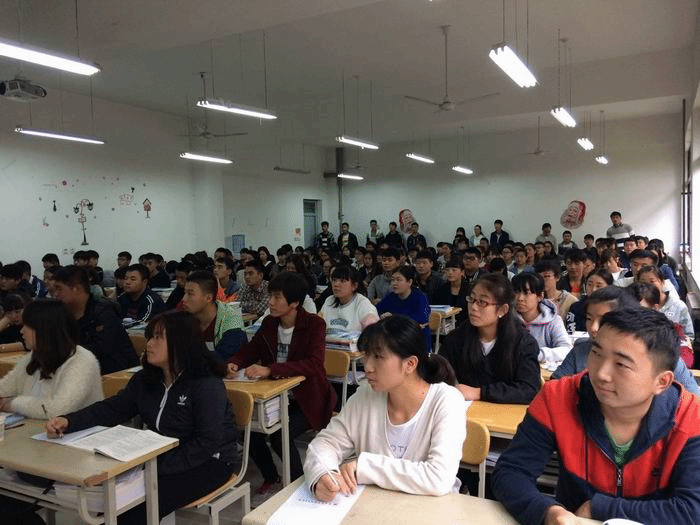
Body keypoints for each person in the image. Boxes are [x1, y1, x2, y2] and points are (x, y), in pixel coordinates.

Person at [494, 308, 700, 524]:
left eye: (621, 364)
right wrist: (549, 512)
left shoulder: (691, 417)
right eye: (596, 353)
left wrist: (599, 508)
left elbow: (693, 510)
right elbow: (511, 472)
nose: (601, 373)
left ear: (662, 382)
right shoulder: (557, 397)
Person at [46, 310, 241, 525]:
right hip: (160, 456)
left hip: (210, 462)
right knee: (112, 498)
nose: (149, 344)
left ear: (181, 342)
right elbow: (113, 408)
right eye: (150, 336)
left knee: (137, 507)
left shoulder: (205, 384)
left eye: (158, 337)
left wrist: (154, 467)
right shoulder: (146, 379)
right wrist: (69, 421)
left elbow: (207, 442)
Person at [304, 315, 465, 500]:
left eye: (378, 357)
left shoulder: (447, 401)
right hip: (375, 506)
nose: (367, 367)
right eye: (367, 355)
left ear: (410, 364)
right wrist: (324, 474)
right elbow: (325, 443)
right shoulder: (366, 395)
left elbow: (439, 478)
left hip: (432, 509)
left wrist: (365, 467)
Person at [226, 272, 336, 495]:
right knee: (247, 429)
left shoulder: (314, 324)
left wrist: (270, 370)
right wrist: (235, 362)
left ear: (294, 303)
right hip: (275, 396)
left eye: (277, 297)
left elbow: (314, 364)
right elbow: (251, 349)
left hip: (308, 398)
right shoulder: (269, 323)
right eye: (270, 296)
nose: (271, 302)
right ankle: (271, 476)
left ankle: (299, 484)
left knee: (279, 434)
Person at [551, 287, 698, 392]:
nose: (593, 327)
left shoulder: (661, 354)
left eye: (603, 320)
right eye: (589, 319)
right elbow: (553, 390)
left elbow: (695, 400)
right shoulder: (581, 351)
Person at [441, 274, 541, 403]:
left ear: (502, 310)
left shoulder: (523, 342)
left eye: (482, 302)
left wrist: (479, 393)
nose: (473, 307)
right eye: (471, 299)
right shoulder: (456, 338)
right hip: (465, 411)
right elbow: (438, 377)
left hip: (505, 414)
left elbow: (529, 389)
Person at [0, 299, 102, 419]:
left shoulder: (82, 361)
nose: (22, 331)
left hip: (77, 430)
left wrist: (12, 404)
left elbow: (57, 409)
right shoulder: (34, 357)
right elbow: (4, 387)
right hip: (37, 426)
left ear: (44, 329)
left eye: (27, 326)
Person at [53, 266, 138, 374]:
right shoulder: (64, 314)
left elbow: (100, 349)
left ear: (76, 288)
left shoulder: (104, 311)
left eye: (59, 289)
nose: (55, 294)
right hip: (83, 371)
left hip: (117, 374)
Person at [512, 273, 572, 370]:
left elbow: (566, 349)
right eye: (516, 292)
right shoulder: (507, 320)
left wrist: (538, 354)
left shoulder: (553, 321)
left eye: (526, 293)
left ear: (540, 296)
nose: (520, 298)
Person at [181, 271, 246, 360]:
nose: (184, 299)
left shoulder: (232, 322)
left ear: (208, 298)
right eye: (185, 293)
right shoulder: (185, 315)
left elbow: (220, 360)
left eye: (190, 294)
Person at [376, 266, 432, 351]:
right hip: (394, 338)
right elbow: (376, 310)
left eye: (398, 280)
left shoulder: (420, 297)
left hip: (416, 340)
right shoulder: (390, 297)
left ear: (409, 282)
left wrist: (393, 317)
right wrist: (382, 316)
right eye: (392, 280)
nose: (394, 283)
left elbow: (421, 318)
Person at [637, 265, 694, 338]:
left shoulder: (679, 306)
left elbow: (689, 336)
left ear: (662, 282)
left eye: (652, 281)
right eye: (643, 282)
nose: (648, 285)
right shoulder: (636, 306)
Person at [320, 265, 379, 333]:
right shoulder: (329, 301)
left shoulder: (364, 305)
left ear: (354, 285)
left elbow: (374, 333)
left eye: (342, 281)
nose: (336, 284)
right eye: (334, 280)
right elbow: (318, 326)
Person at [432, 259, 469, 324]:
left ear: (462, 272)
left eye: (454, 270)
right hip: (444, 324)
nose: (450, 273)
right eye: (447, 270)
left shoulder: (469, 289)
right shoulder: (441, 289)